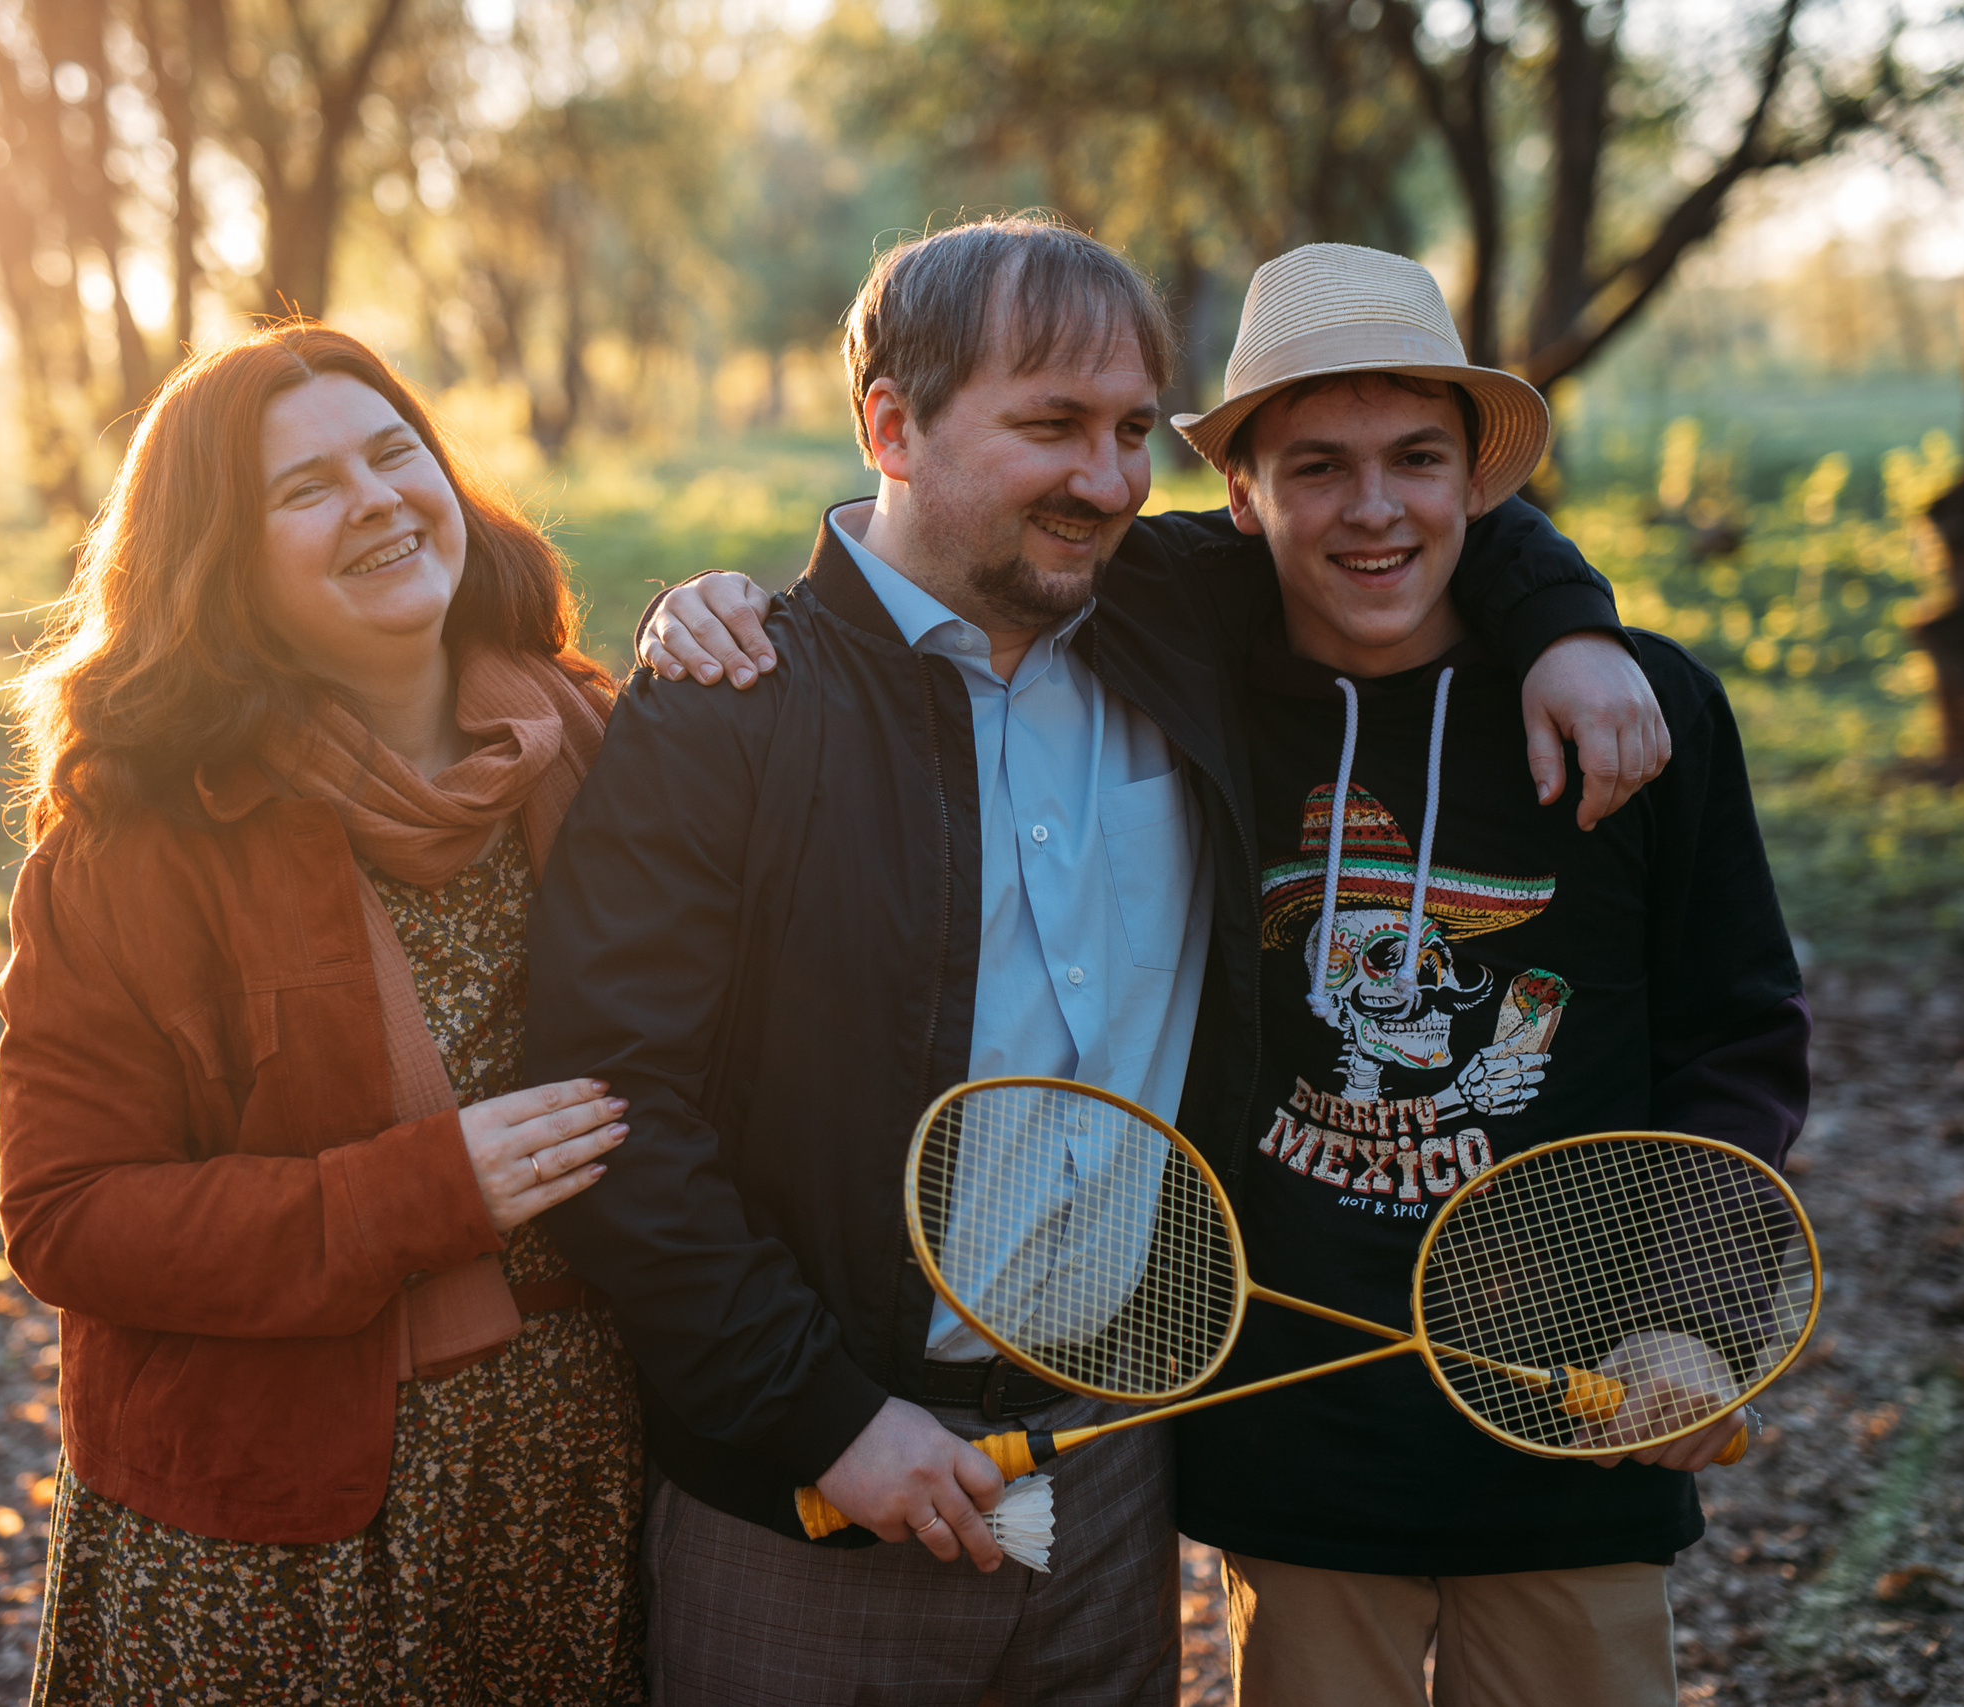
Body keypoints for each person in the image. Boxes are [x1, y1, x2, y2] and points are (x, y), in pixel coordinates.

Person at [533, 214, 1663, 1707]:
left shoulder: (1173, 609)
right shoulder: (732, 704)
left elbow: (1382, 492)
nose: (1109, 480)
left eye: (1135, 429)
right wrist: (822, 1422)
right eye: (1051, 424)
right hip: (813, 1499)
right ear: (892, 423)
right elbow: (612, 1108)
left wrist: (1567, 623)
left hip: (1110, 1473)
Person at [1157, 243, 1806, 1707]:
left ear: (1480, 485)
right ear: (1242, 491)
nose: (1375, 508)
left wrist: (1690, 1325)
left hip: (1576, 1415)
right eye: (1316, 465)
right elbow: (983, 565)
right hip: (1297, 1424)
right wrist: (736, 608)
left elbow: (1735, 1038)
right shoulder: (1182, 674)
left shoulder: (1644, 713)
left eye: (1418, 460)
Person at [0, 321, 646, 1704]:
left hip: (578, 1501)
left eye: (394, 452)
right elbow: (66, 1213)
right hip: (268, 1543)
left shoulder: (592, 741)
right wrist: (418, 1194)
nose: (376, 500)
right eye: (304, 489)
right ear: (219, 563)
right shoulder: (131, 846)